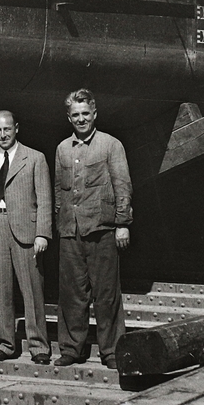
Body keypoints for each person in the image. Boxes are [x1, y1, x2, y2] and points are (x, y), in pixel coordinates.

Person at [53, 90, 131, 369]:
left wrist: (122, 224)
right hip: (70, 232)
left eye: (85, 113)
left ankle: (110, 351)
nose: (81, 119)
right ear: (69, 118)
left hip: (102, 229)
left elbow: (122, 186)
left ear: (94, 114)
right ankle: (72, 348)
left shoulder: (111, 145)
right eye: (76, 115)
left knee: (106, 293)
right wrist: (60, 224)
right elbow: (58, 192)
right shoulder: (62, 148)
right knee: (72, 294)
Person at [0, 111, 52, 364]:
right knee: (1, 290)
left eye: (7, 129)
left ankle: (39, 347)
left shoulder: (35, 158)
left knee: (32, 290)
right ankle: (5, 343)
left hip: (25, 230)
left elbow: (45, 199)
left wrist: (42, 233)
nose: (3, 135)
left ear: (16, 128)